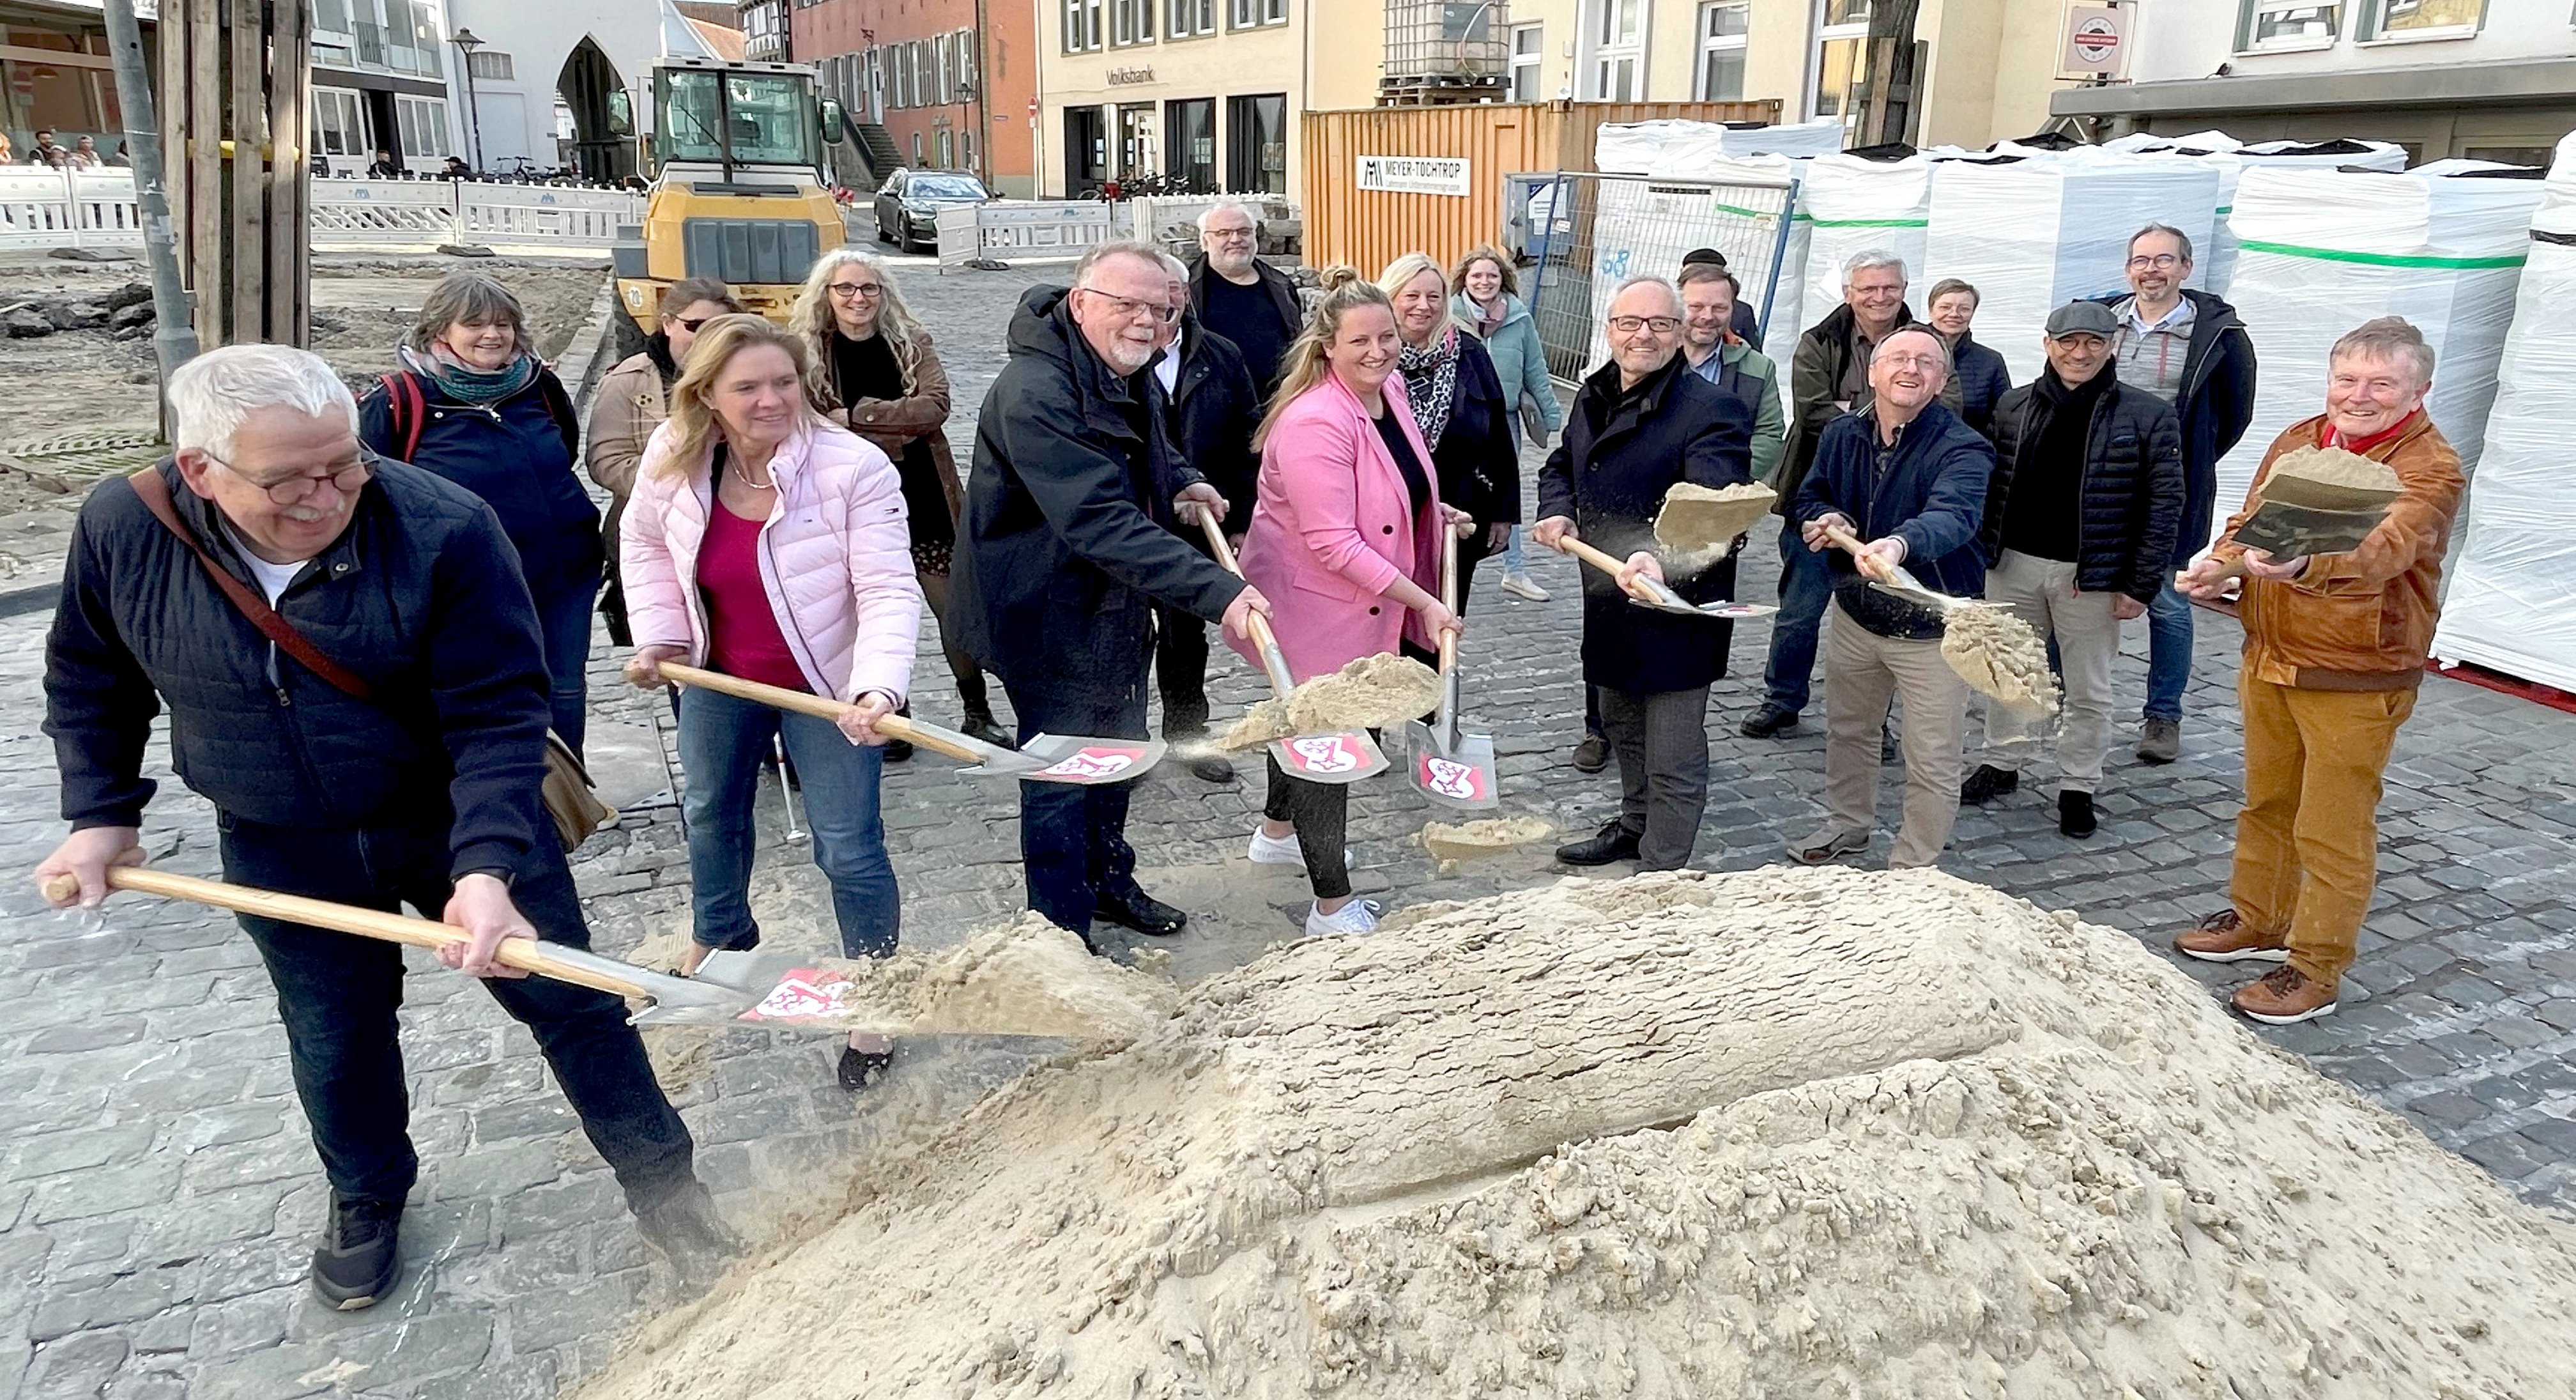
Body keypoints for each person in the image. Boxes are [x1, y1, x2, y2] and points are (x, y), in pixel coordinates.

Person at [36, 346, 730, 1311]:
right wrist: (101, 813)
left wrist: (486, 867)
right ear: (201, 469)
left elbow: (498, 709)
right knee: (334, 1032)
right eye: (290, 480)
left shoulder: (442, 525)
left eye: (344, 464)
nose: (328, 496)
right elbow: (90, 674)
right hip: (280, 835)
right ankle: (366, 1192)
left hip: (450, 813)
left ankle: (670, 1190)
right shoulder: (126, 525)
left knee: (574, 1004)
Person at [621, 316, 921, 1088]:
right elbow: (646, 543)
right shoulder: (675, 454)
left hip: (827, 687)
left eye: (783, 382)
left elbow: (888, 587)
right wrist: (661, 638)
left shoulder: (852, 467)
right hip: (722, 675)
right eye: (746, 387)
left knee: (848, 845)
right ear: (708, 394)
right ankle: (719, 937)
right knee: (711, 810)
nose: (769, 401)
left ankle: (876, 991)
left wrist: (877, 687)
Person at [952, 242, 1270, 946]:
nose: (1145, 322)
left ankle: (1107, 883)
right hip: (1046, 613)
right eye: (1126, 305)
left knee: (1119, 755)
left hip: (1113, 606)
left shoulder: (1124, 369)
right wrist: (1219, 590)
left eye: (1158, 309)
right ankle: (1059, 933)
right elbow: (1097, 518)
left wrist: (1182, 478)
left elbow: (1150, 443)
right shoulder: (1037, 392)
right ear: (1081, 301)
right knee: (1064, 776)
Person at [2172, 318, 2462, 1026]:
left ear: (2419, 388)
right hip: (2271, 652)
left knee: (2332, 825)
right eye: (2348, 379)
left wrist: (2305, 563)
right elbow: (2253, 521)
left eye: (2381, 383)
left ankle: (2316, 963)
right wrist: (2222, 564)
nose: (2359, 396)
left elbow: (2386, 548)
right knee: (2267, 803)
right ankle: (2260, 918)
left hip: (2357, 670)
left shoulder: (2430, 466)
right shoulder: (2303, 437)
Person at [1235, 271, 1471, 934]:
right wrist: (1426, 602)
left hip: (1365, 604)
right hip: (1317, 610)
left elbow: (1392, 479)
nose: (1378, 351)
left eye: (1387, 336)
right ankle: (1331, 908)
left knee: (1307, 727)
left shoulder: (1387, 390)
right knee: (1329, 747)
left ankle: (1276, 834)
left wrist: (1429, 508)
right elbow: (1334, 542)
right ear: (1327, 346)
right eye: (1360, 340)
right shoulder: (1315, 421)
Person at [1533, 276, 1754, 872]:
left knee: (1673, 751)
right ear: (1609, 330)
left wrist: (1664, 555)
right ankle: (1635, 824)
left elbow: (1715, 507)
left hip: (1678, 604)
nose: (1643, 336)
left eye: (1659, 324)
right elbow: (1562, 462)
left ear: (1682, 333)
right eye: (1629, 323)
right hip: (1609, 595)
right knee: (1620, 723)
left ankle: (1661, 869)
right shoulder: (1595, 393)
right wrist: (1556, 507)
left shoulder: (1711, 410)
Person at [1959, 302, 2183, 838]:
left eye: (2093, 342)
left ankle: (2078, 783)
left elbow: (2164, 505)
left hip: (2094, 575)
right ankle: (2002, 761)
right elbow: (1991, 485)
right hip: (2013, 562)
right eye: (2068, 342)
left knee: (2089, 688)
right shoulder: (2013, 406)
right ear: (2048, 344)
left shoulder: (2148, 415)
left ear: (2112, 347)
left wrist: (2141, 583)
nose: (2079, 353)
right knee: (2007, 672)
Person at [361, 273, 599, 753]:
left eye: (504, 324)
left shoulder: (540, 386)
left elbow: (564, 454)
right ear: (439, 331)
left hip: (562, 575)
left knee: (564, 692)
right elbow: (368, 494)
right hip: (465, 586)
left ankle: (563, 807)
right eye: (475, 324)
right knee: (487, 696)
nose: (493, 335)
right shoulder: (398, 401)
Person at [1787, 326, 1995, 869]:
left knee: (1931, 756)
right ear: (1873, 373)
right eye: (1898, 358)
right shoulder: (1841, 433)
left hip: (1934, 627)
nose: (1910, 369)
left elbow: (1955, 516)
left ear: (1942, 381)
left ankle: (1913, 868)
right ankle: (1847, 825)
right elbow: (1811, 495)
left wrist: (1901, 543)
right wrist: (1827, 518)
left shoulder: (1965, 447)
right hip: (1859, 614)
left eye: (1925, 362)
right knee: (1850, 731)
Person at [790, 249, 1011, 752]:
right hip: (846, 503)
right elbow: (812, 420)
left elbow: (933, 408)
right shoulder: (806, 352)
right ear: (826, 295)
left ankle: (976, 710)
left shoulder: (912, 344)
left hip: (924, 495)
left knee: (953, 608)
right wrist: (893, 428)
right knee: (867, 614)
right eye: (845, 288)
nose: (858, 298)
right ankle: (891, 716)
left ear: (884, 294)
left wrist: (860, 418)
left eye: (869, 288)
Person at [2096, 224, 2257, 765]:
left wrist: (2186, 458)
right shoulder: (2100, 323)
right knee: (2078, 591)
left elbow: (2234, 416)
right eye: (2141, 259)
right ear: (2128, 269)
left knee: (2165, 600)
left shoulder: (2219, 336)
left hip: (2170, 488)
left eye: (2165, 260)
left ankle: (2162, 716)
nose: (2152, 270)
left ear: (2186, 268)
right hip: (2098, 485)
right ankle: (2060, 698)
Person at [1742, 249, 1917, 741]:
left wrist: (1855, 404)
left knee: (1880, 615)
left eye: (1889, 287)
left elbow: (1941, 403)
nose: (1880, 297)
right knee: (1800, 609)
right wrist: (1890, 405)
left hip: (1893, 505)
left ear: (1903, 290)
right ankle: (1782, 699)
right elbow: (1815, 411)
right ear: (1849, 294)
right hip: (1818, 496)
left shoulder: (1923, 342)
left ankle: (1872, 722)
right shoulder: (1818, 340)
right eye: (1868, 288)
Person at [1147, 252, 1263, 786]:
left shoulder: (1220, 355)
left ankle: (1187, 735)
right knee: (1122, 634)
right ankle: (1121, 742)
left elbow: (1248, 442)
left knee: (1184, 636)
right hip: (1130, 519)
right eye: (1155, 290)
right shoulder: (1111, 354)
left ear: (1187, 294)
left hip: (1201, 522)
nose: (1166, 301)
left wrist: (1240, 516)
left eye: (1175, 289)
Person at [588, 276, 745, 647]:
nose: (705, 338)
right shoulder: (629, 380)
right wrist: (678, 482)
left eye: (717, 327)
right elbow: (606, 460)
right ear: (668, 323)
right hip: (661, 530)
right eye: (694, 326)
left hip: (731, 528)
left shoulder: (743, 373)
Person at [1381, 252, 1521, 613]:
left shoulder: (1469, 351)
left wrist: (1503, 513)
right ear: (1390, 297)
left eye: (1434, 297)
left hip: (1458, 512)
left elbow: (1499, 438)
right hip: (1387, 515)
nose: (1423, 307)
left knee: (1444, 618)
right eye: (1411, 296)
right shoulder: (1372, 355)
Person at [1449, 243, 1560, 604]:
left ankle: (1515, 571)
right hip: (1459, 419)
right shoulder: (1449, 315)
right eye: (1477, 275)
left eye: (1492, 275)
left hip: (1504, 418)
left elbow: (1536, 370)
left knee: (1506, 493)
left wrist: (1551, 413)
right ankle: (1447, 564)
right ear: (1465, 279)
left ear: (1503, 279)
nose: (1484, 281)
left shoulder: (1519, 318)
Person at [1187, 204, 1301, 394]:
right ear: (1205, 242)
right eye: (1224, 233)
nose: (1236, 239)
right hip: (1214, 407)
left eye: (1244, 232)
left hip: (1277, 405)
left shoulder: (1281, 286)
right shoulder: (1187, 291)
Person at [1923, 278, 2013, 441]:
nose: (1954, 314)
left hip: (1968, 452)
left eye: (1964, 309)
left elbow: (2005, 419)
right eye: (1945, 307)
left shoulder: (1991, 361)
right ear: (1931, 310)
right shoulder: (1908, 352)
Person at [1680, 247, 1761, 344]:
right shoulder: (1666, 307)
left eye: (1719, 308)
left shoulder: (1742, 311)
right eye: (1696, 306)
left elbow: (1752, 351)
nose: (1708, 316)